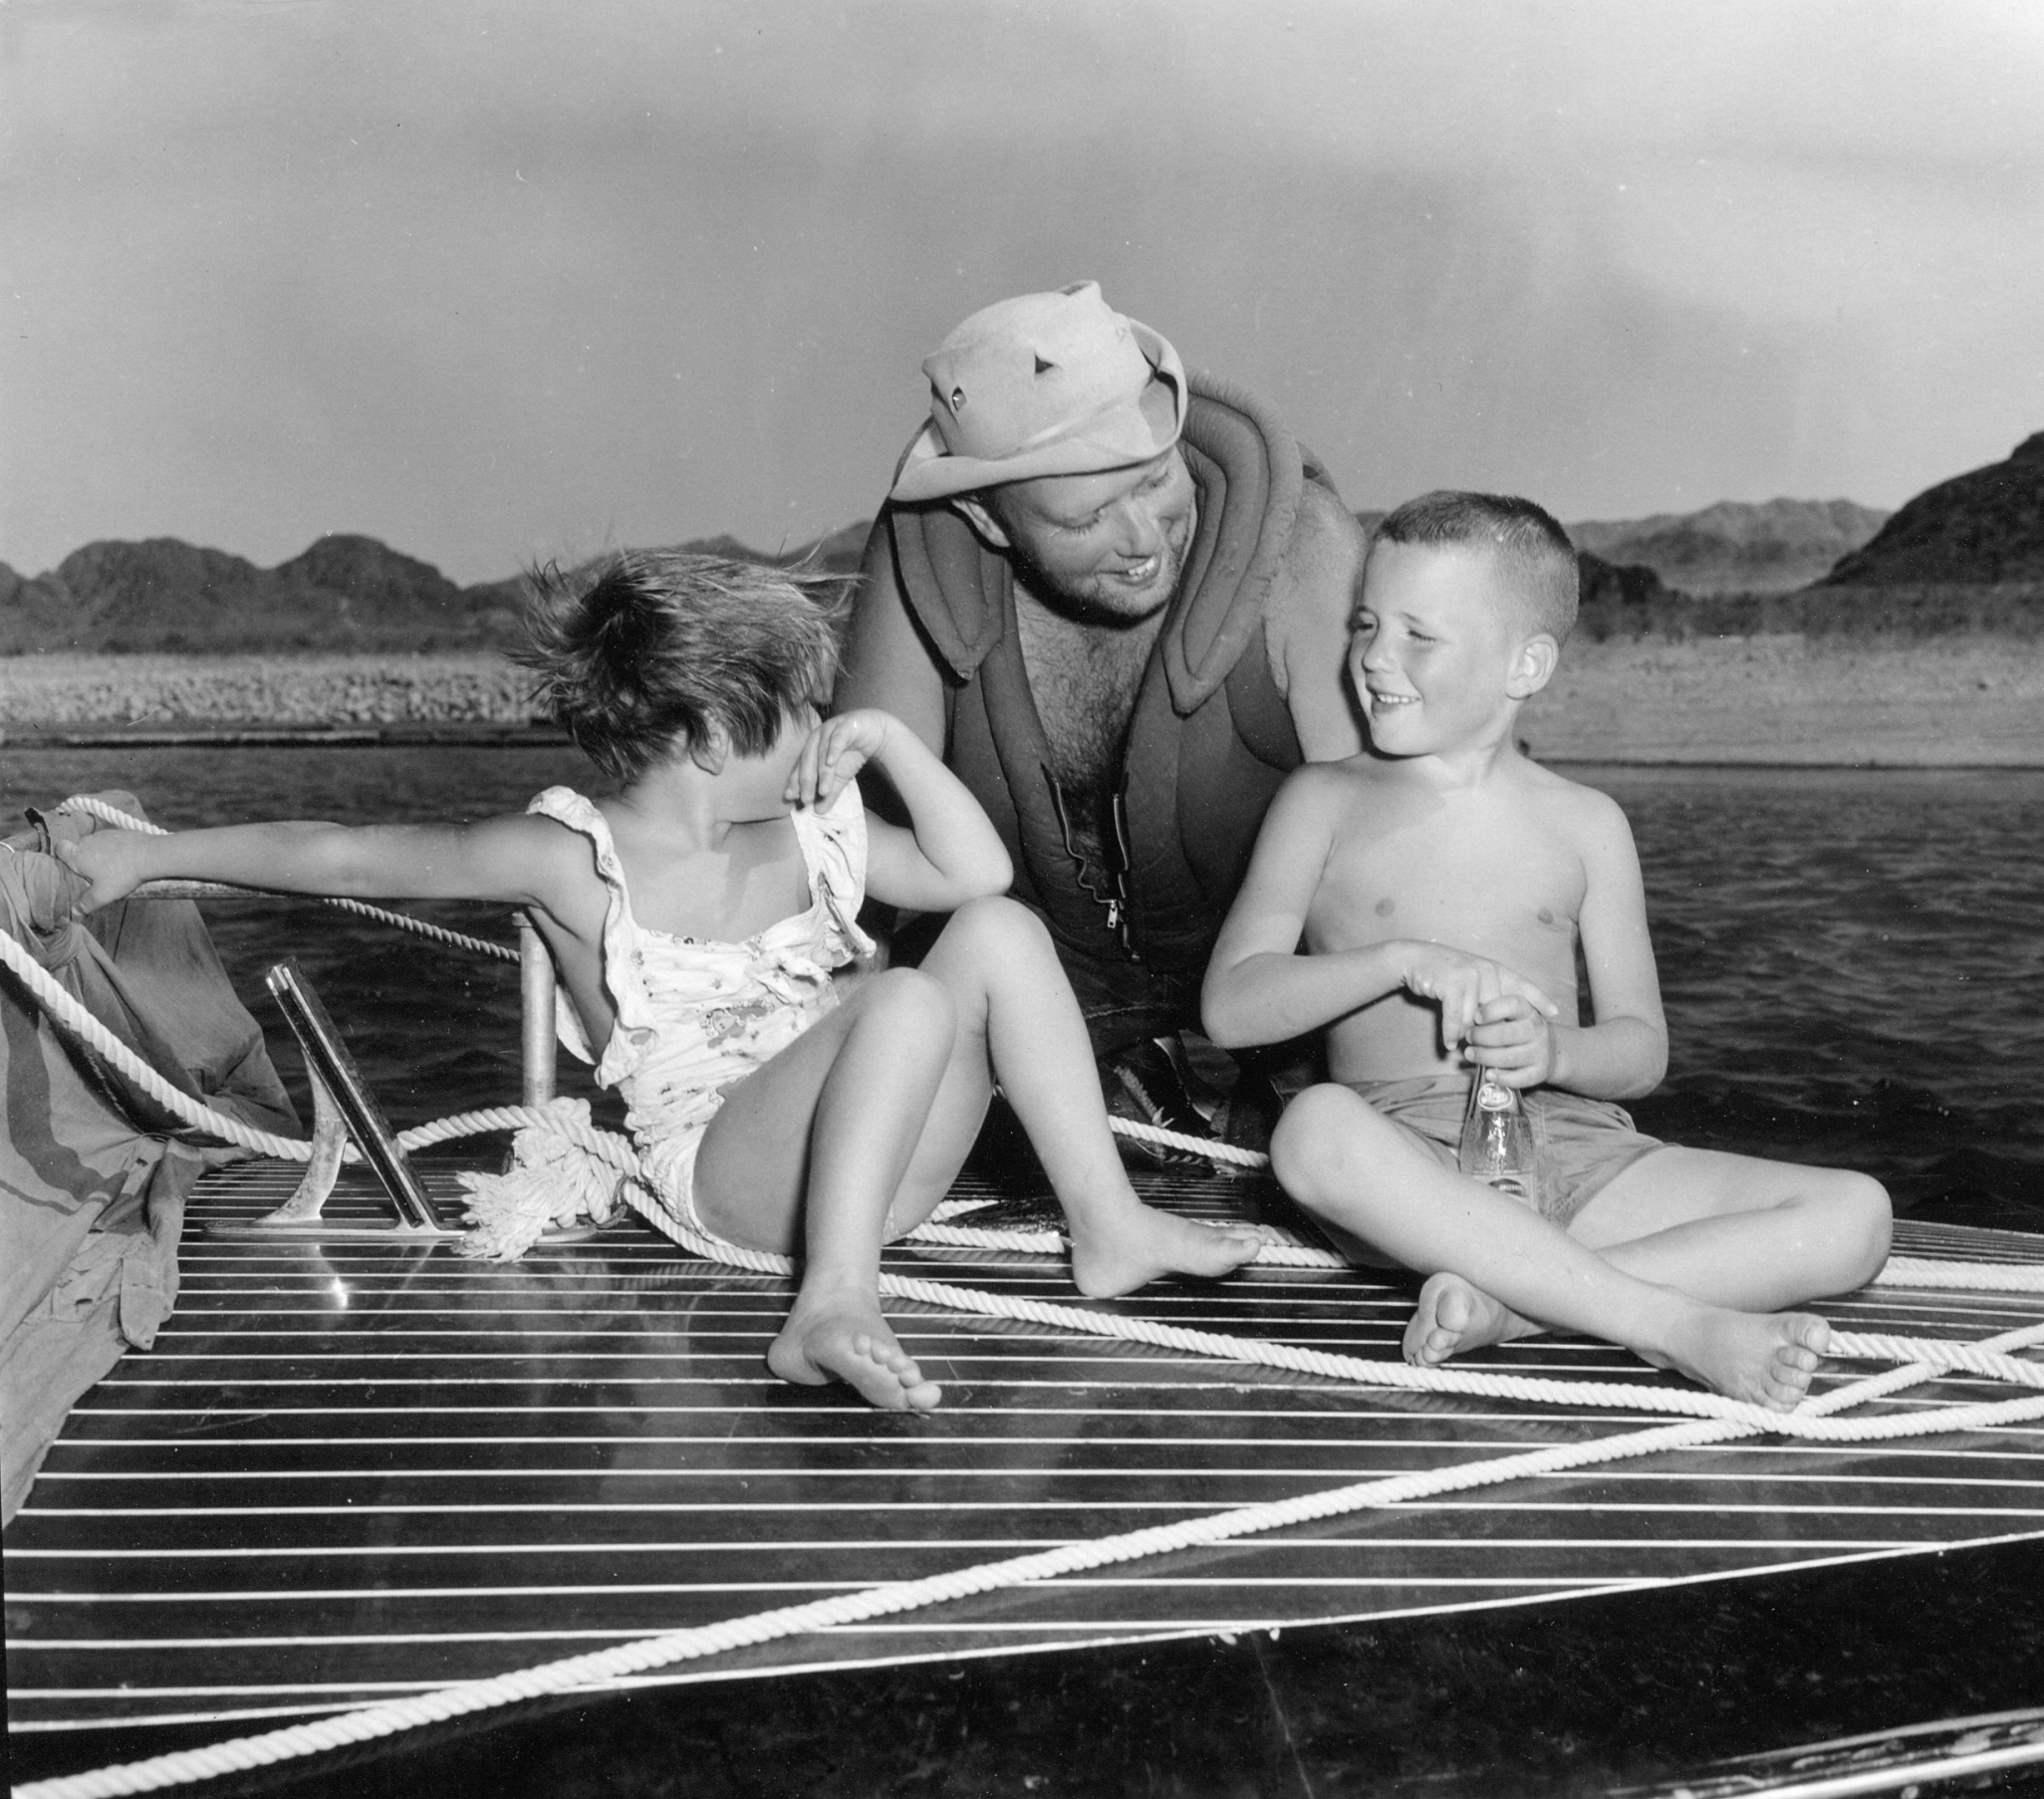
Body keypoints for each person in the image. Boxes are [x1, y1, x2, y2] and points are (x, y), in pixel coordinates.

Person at [59, 552, 1261, 1413]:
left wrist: (890, 749)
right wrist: (145, 857)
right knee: (899, 996)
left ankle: (1104, 1223)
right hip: (732, 1186)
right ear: (705, 741)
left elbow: (976, 870)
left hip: (879, 1165)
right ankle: (828, 1307)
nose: (826, 729)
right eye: (804, 712)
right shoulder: (571, 860)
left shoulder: (817, 830)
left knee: (996, 931)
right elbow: (339, 851)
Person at [1199, 493, 1891, 1410]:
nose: (1371, 658)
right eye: (1365, 624)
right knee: (1312, 1130)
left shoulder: (1587, 825)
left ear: (1525, 663)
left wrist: (1559, 1053)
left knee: (1855, 1215)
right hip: (1408, 1158)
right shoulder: (1321, 801)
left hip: (1576, 1147)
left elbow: (1642, 1051)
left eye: (1418, 635)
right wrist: (1396, 959)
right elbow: (1231, 1005)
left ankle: (1513, 1306)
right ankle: (1666, 1323)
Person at [835, 281, 1365, 1147]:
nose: (1143, 538)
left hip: (1281, 1013)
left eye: (1157, 481)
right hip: (1049, 1019)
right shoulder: (921, 563)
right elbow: (851, 851)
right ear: (984, 515)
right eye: (1085, 519)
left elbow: (1390, 848)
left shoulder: (1304, 549)